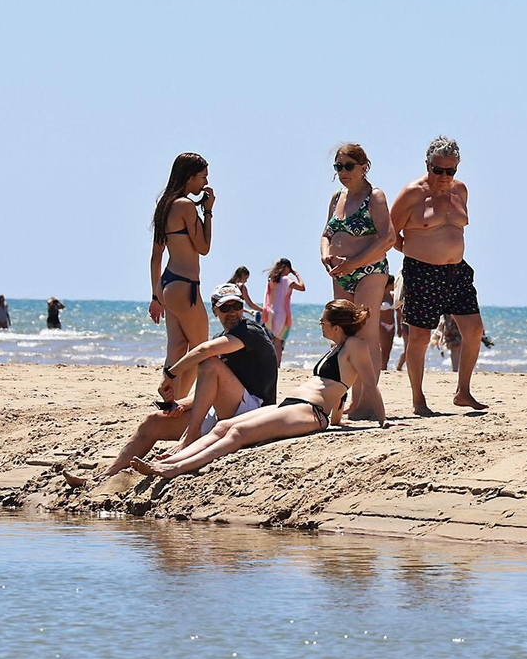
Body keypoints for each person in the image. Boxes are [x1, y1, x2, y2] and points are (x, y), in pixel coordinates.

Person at [132, 300, 386, 479]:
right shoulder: (336, 348)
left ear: (336, 326)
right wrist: (338, 420)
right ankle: (169, 461)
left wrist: (383, 421)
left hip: (311, 412)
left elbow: (369, 383)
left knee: (239, 432)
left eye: (322, 321)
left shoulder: (355, 345)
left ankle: (175, 469)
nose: (320, 325)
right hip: (293, 404)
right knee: (223, 426)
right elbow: (341, 388)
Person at [63, 285, 280, 487]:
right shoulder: (221, 337)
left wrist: (170, 374)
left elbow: (204, 352)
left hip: (255, 413)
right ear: (214, 311)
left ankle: (190, 437)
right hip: (227, 411)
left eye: (237, 306)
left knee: (209, 364)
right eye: (225, 308)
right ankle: (103, 477)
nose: (232, 312)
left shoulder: (250, 330)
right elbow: (210, 391)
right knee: (153, 422)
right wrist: (179, 405)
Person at [391, 136, 485, 413]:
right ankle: (418, 400)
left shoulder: (461, 191)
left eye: (450, 170)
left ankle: (463, 392)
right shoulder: (412, 192)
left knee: (475, 330)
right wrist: (414, 252)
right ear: (427, 164)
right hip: (422, 271)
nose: (444, 176)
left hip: (457, 271)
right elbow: (389, 232)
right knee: (419, 337)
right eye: (438, 169)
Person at [321, 143, 394, 414]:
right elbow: (326, 233)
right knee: (344, 336)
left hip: (369, 272)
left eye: (349, 166)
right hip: (340, 273)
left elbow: (388, 237)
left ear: (364, 167)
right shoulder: (336, 197)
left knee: (366, 336)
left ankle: (366, 403)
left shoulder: (374, 196)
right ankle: (350, 399)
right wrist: (325, 255)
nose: (343, 172)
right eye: (339, 167)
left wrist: (354, 262)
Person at [149, 152, 213, 397]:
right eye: (202, 177)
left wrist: (156, 295)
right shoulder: (186, 206)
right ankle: (176, 400)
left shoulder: (165, 205)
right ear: (189, 177)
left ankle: (168, 397)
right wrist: (208, 211)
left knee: (176, 348)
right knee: (200, 349)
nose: (205, 183)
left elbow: (156, 256)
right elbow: (203, 247)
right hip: (186, 286)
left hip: (168, 283)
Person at [262, 258, 305, 363]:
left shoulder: (271, 279)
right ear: (286, 268)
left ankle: (269, 364)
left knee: (270, 341)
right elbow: (302, 287)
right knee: (278, 343)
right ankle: (277, 365)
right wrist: (297, 275)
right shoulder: (287, 280)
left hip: (270, 313)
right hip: (282, 315)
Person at [378, 273, 397, 371]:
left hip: (392, 324)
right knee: (383, 348)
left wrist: (400, 327)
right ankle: (381, 368)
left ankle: (384, 368)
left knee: (389, 348)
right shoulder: (379, 296)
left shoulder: (393, 295)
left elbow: (398, 311)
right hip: (381, 324)